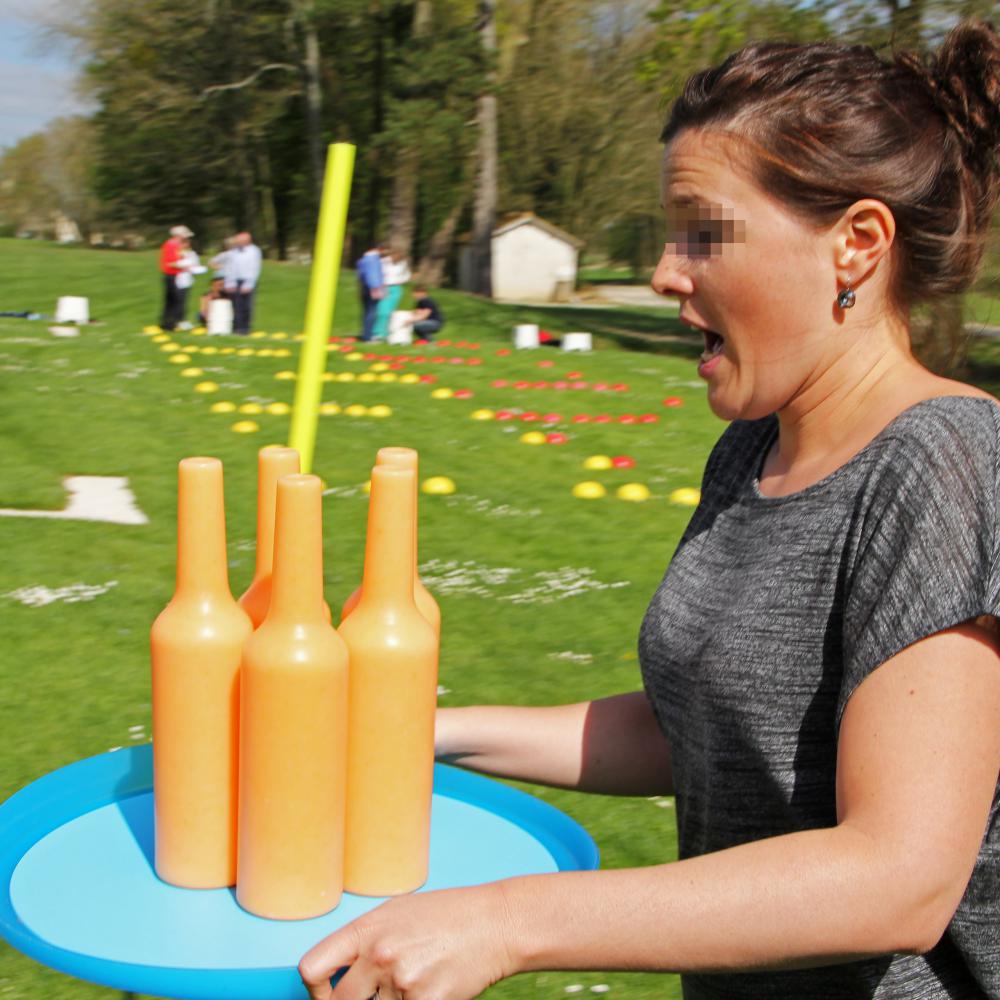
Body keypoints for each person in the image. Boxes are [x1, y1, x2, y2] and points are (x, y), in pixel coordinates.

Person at [300, 21, 1000, 1000]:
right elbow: (708, 734)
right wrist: (420, 729)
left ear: (856, 245)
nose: (668, 272)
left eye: (703, 231)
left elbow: (898, 878)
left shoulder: (945, 462)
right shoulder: (752, 449)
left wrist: (505, 922)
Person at [224, 231, 262, 335]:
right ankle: (236, 327)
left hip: (247, 280)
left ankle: (245, 328)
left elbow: (254, 268)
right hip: (235, 280)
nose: (238, 243)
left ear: (247, 241)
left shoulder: (254, 251)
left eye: (240, 241)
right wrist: (229, 282)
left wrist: (249, 283)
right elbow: (230, 267)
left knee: (247, 306)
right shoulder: (233, 252)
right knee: (236, 306)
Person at [158, 224, 193, 331]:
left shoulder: (177, 245)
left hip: (176, 274)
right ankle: (171, 323)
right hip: (173, 275)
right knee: (175, 300)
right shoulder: (172, 245)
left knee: (173, 300)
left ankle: (169, 322)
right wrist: (185, 265)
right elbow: (172, 262)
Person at [372, 249, 412, 340]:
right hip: (384, 287)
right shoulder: (383, 262)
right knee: (383, 312)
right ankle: (377, 332)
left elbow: (407, 275)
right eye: (394, 255)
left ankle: (385, 333)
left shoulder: (402, 263)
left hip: (396, 288)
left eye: (398, 256)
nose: (396, 257)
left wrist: (401, 281)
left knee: (390, 312)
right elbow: (377, 273)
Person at [356, 241, 385, 341]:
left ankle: (366, 333)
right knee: (372, 312)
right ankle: (368, 337)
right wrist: (377, 288)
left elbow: (361, 275)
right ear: (379, 249)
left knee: (367, 311)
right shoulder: (373, 260)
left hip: (364, 287)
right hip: (373, 288)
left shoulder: (363, 259)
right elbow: (373, 274)